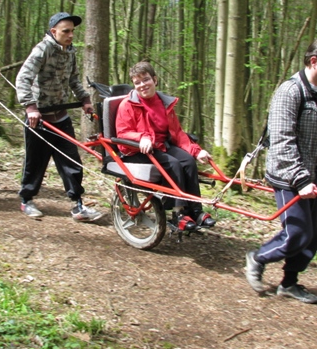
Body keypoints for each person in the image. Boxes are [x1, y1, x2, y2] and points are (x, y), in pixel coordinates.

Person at [245, 35, 317, 304]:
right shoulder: (289, 92)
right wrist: (300, 179)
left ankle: (289, 283)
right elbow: (282, 142)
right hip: (288, 177)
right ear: (314, 61)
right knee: (297, 233)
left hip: (314, 178)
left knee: (313, 236)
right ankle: (257, 258)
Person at [15, 12, 103, 221]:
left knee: (71, 160)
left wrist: (85, 100)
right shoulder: (42, 49)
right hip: (39, 119)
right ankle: (26, 200)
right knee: (35, 162)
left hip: (61, 116)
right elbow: (22, 78)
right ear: (54, 32)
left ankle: (78, 206)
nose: (71, 35)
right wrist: (30, 107)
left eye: (73, 31)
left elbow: (73, 80)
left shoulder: (70, 52)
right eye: (66, 31)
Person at [115, 61, 216, 232]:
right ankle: (179, 214)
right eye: (137, 82)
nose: (142, 85)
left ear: (155, 79)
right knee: (174, 165)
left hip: (161, 145)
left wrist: (197, 151)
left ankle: (196, 211)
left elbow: (177, 133)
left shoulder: (164, 102)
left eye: (145, 80)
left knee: (188, 161)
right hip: (135, 150)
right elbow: (122, 133)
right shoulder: (127, 105)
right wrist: (142, 138)